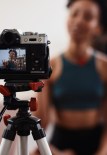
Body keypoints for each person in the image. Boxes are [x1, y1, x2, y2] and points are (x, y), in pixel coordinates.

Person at [31, 0, 107, 155]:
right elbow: (41, 122)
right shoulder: (51, 66)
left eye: (88, 17)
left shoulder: (104, 66)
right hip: (61, 143)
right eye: (74, 14)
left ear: (98, 28)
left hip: (96, 142)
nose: (78, 20)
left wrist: (103, 151)